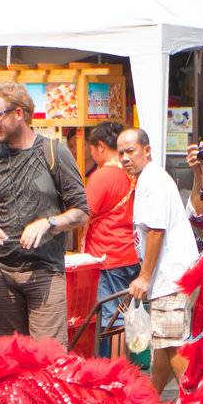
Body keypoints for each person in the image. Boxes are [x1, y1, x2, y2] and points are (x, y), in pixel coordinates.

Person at [0, 81, 89, 342]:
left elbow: (81, 212)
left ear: (19, 113)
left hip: (44, 273)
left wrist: (48, 223)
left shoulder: (54, 152)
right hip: (1, 273)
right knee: (11, 363)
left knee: (48, 362)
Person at [117, 127, 199, 393]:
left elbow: (156, 230)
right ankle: (151, 400)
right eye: (121, 153)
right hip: (171, 279)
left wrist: (144, 276)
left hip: (170, 278)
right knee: (163, 341)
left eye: (130, 151)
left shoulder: (152, 180)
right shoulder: (147, 180)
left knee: (173, 342)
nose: (125, 158)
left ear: (147, 150)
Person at [82, 120, 137, 358]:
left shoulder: (102, 176)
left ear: (101, 146)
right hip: (130, 253)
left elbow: (83, 213)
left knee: (113, 318)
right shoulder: (132, 173)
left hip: (108, 256)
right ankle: (121, 368)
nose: (91, 154)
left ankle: (115, 373)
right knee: (123, 315)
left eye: (91, 149)